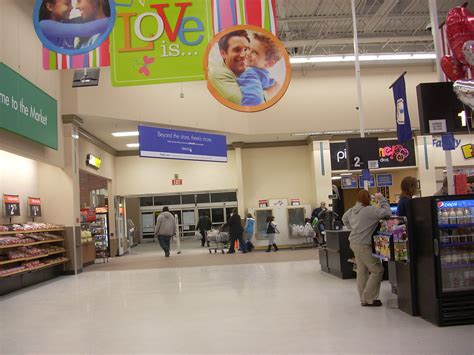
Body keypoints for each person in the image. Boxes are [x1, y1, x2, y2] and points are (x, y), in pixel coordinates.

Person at [342, 191, 391, 307]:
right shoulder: (370, 210)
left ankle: (364, 298)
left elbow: (344, 219)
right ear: (368, 198)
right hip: (363, 245)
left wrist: (354, 228)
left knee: (362, 271)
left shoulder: (352, 210)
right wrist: (382, 199)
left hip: (354, 242)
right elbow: (387, 212)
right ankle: (369, 298)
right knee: (377, 270)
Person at [38, 0, 109, 50]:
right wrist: (112, 20)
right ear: (50, 6)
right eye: (67, 4)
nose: (72, 7)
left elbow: (87, 22)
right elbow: (84, 29)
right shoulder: (44, 25)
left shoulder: (64, 23)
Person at [237, 32, 281, 106]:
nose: (247, 53)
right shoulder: (267, 78)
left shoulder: (250, 73)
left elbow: (254, 100)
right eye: (248, 48)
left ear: (269, 63)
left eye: (255, 52)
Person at [209, 30, 250, 105]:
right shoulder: (218, 73)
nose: (243, 54)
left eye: (246, 49)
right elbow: (249, 102)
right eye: (237, 50)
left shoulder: (248, 70)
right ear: (223, 53)